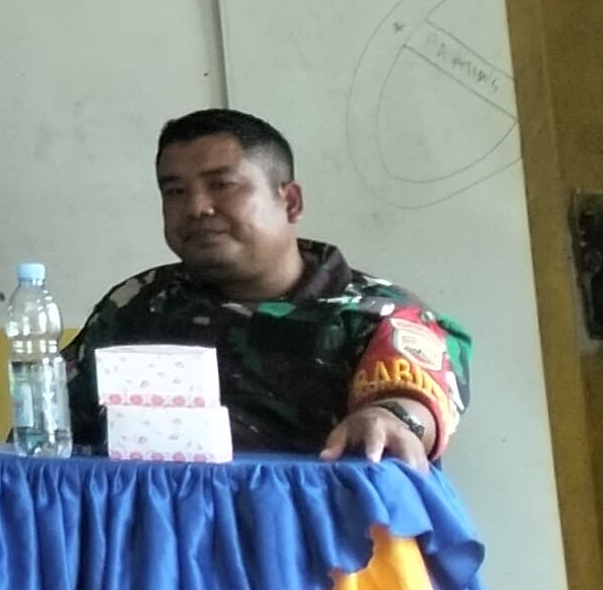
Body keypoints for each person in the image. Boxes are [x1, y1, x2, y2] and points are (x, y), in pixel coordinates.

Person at [67, 109, 463, 462]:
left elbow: (409, 403)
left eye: (222, 185)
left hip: (309, 517)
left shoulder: (377, 313)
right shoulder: (137, 304)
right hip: (152, 518)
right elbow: (56, 423)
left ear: (290, 202)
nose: (196, 207)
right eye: (174, 192)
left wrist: (386, 418)